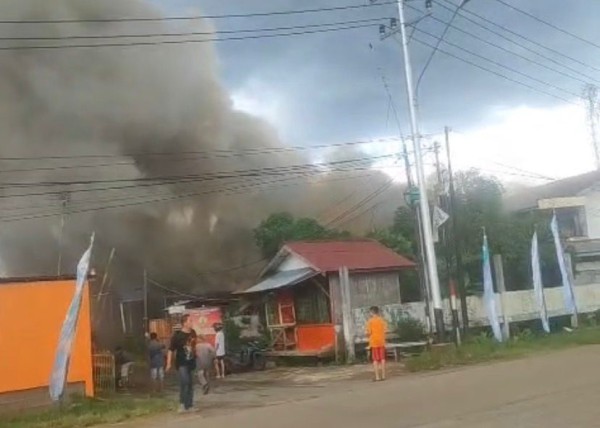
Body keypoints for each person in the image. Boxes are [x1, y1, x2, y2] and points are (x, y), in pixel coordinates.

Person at [166, 314, 197, 412]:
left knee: (190, 383)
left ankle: (190, 405)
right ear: (185, 323)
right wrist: (168, 363)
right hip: (182, 363)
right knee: (185, 382)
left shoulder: (193, 333)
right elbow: (170, 350)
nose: (192, 323)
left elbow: (194, 346)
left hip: (191, 362)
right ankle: (182, 404)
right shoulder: (177, 336)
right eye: (190, 321)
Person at [366, 306, 387, 381]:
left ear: (372, 312)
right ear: (378, 312)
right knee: (382, 359)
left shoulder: (370, 321)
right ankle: (383, 376)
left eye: (369, 312)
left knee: (375, 360)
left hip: (374, 343)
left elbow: (368, 332)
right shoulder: (382, 320)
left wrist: (368, 335)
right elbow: (385, 330)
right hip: (381, 342)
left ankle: (377, 377)